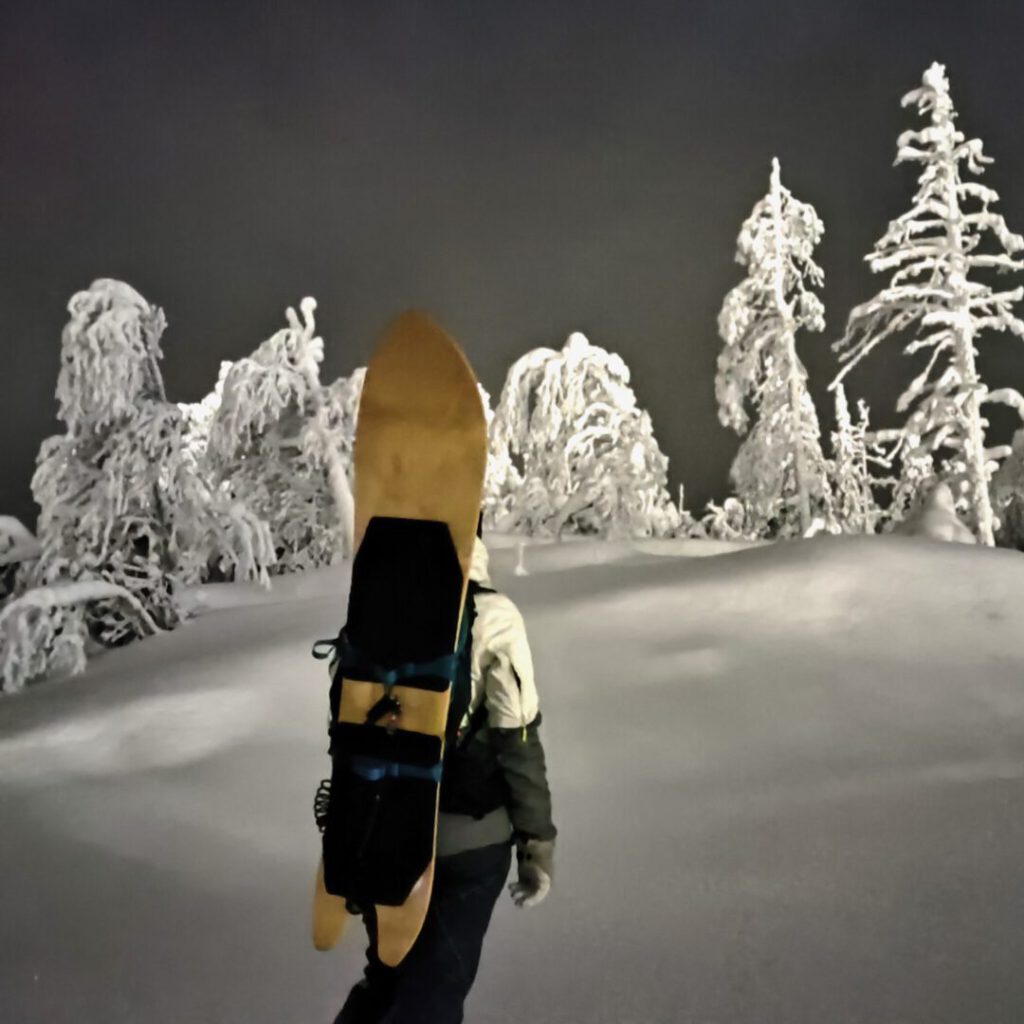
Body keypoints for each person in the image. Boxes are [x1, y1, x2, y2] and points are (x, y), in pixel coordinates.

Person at [334, 529, 557, 1024]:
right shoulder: (494, 615)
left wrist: (348, 841)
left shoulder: (375, 606)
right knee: (432, 995)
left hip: (381, 832)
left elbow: (348, 729)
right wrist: (536, 846)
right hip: (467, 846)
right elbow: (517, 741)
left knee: (387, 978)